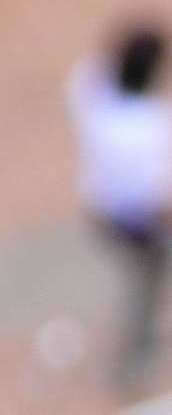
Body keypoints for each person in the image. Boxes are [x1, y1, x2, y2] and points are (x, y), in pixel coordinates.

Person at [68, 26, 171, 389]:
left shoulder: (89, 86)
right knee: (146, 285)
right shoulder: (151, 129)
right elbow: (159, 199)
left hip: (100, 205)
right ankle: (133, 364)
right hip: (137, 223)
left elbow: (97, 64)